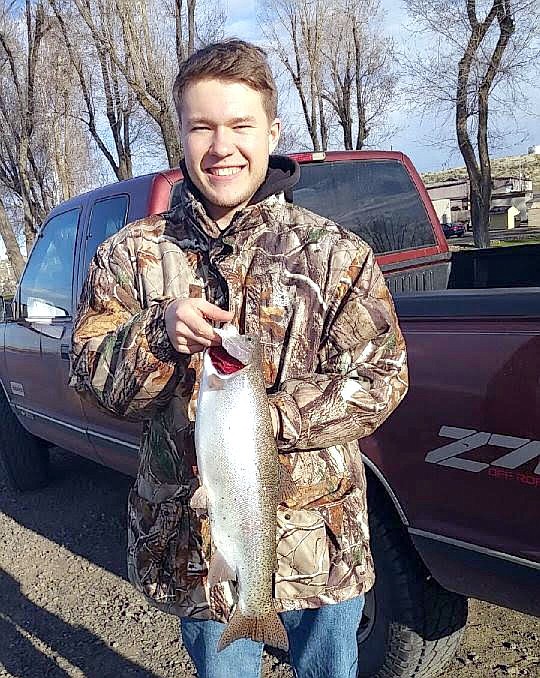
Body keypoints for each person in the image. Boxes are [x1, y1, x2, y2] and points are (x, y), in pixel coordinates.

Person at [70, 39, 408, 678]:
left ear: (272, 131)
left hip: (322, 541)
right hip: (198, 545)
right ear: (181, 134)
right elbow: (90, 377)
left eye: (239, 125)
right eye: (202, 126)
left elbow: (384, 373)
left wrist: (263, 421)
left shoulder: (334, 254)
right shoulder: (128, 255)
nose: (221, 146)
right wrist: (156, 334)